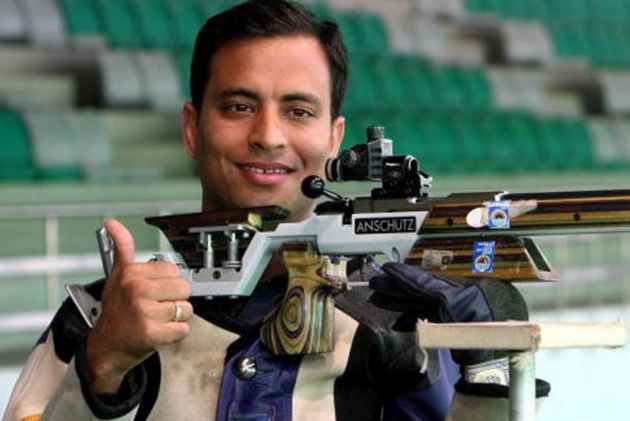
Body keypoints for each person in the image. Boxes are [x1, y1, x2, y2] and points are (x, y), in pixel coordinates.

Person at [3, 1, 544, 420]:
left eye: (298, 110)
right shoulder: (99, 318)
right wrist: (102, 368)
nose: (266, 136)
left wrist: (491, 370)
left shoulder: (406, 326)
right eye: (239, 106)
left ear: (335, 140)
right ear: (193, 128)